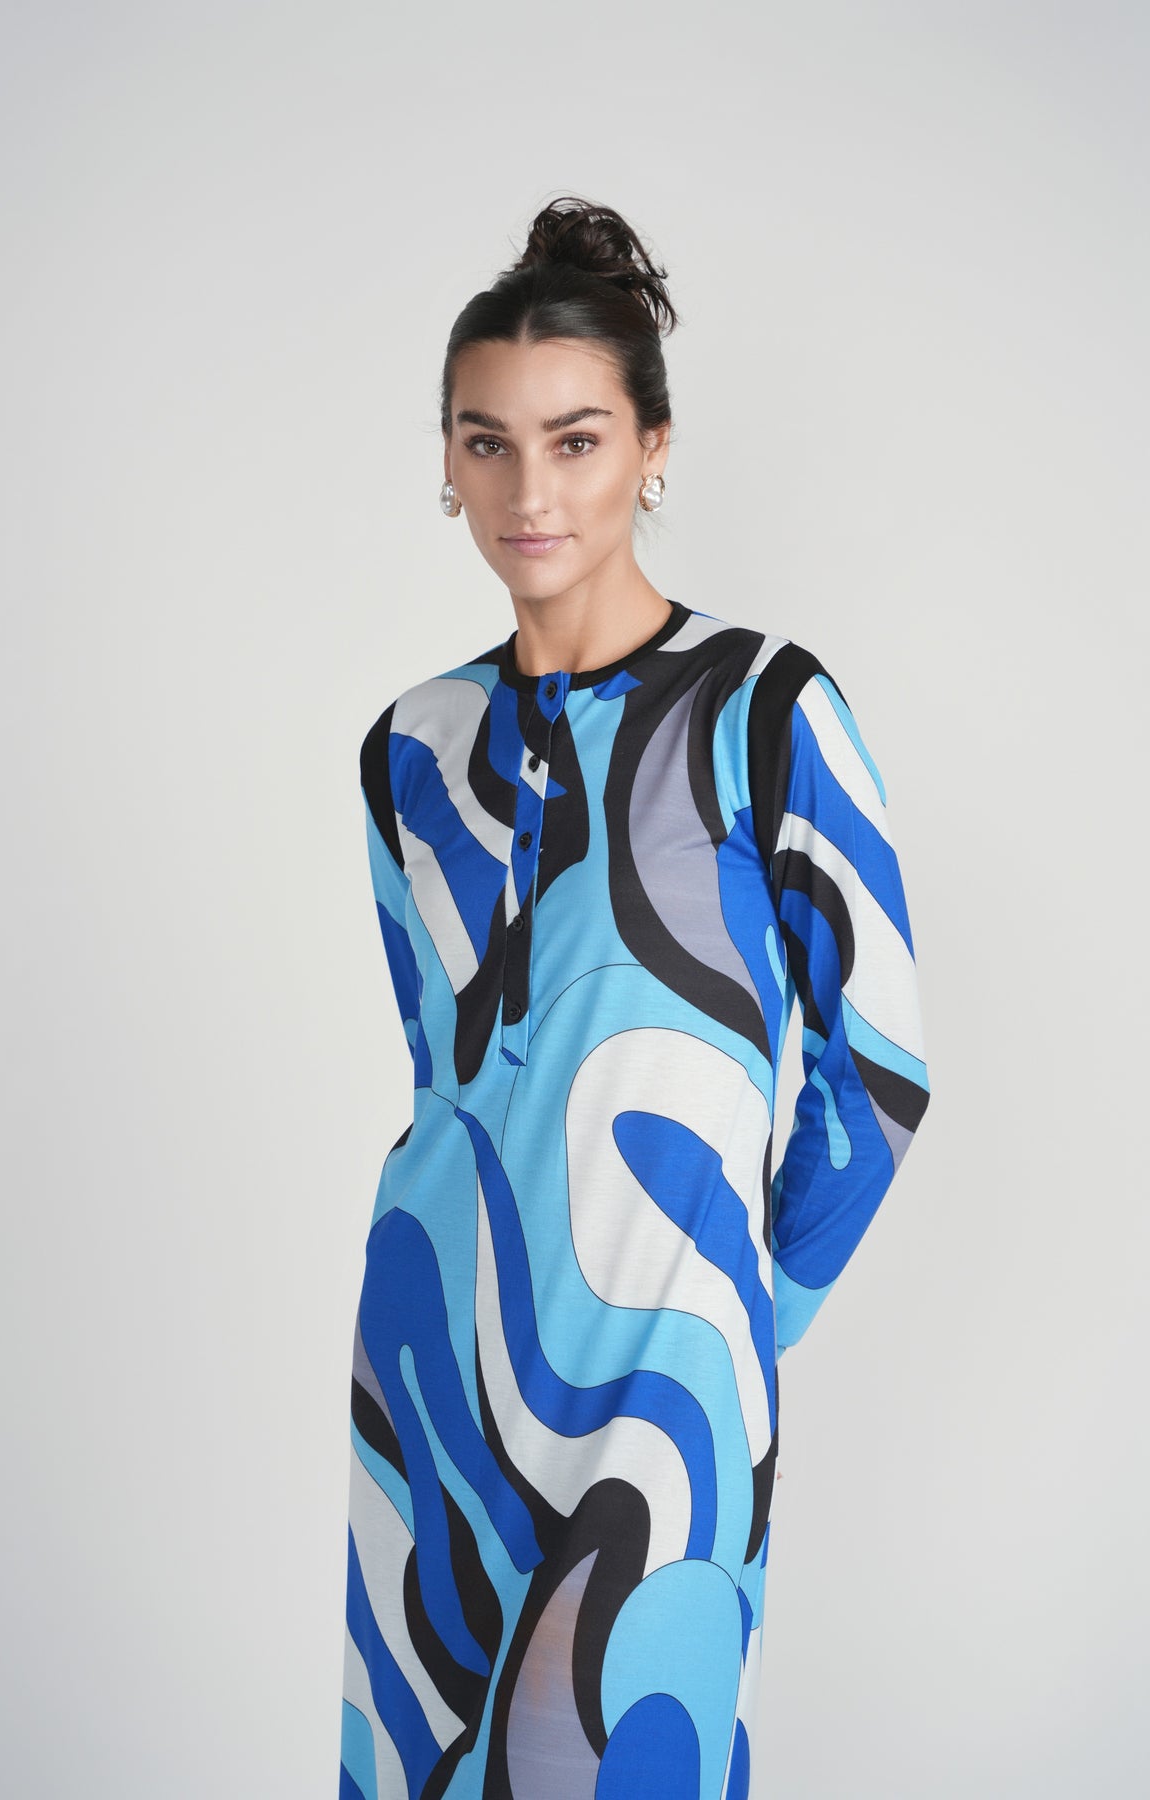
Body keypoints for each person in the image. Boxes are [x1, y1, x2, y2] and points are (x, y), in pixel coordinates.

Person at [340, 194, 930, 1800]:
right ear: (447, 460)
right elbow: (449, 1073)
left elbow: (880, 1075)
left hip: (669, 1383)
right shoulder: (409, 749)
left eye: (577, 441)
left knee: (627, 1756)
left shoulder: (763, 710)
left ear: (652, 450)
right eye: (488, 443)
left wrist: (732, 1316)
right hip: (434, 1368)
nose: (529, 492)